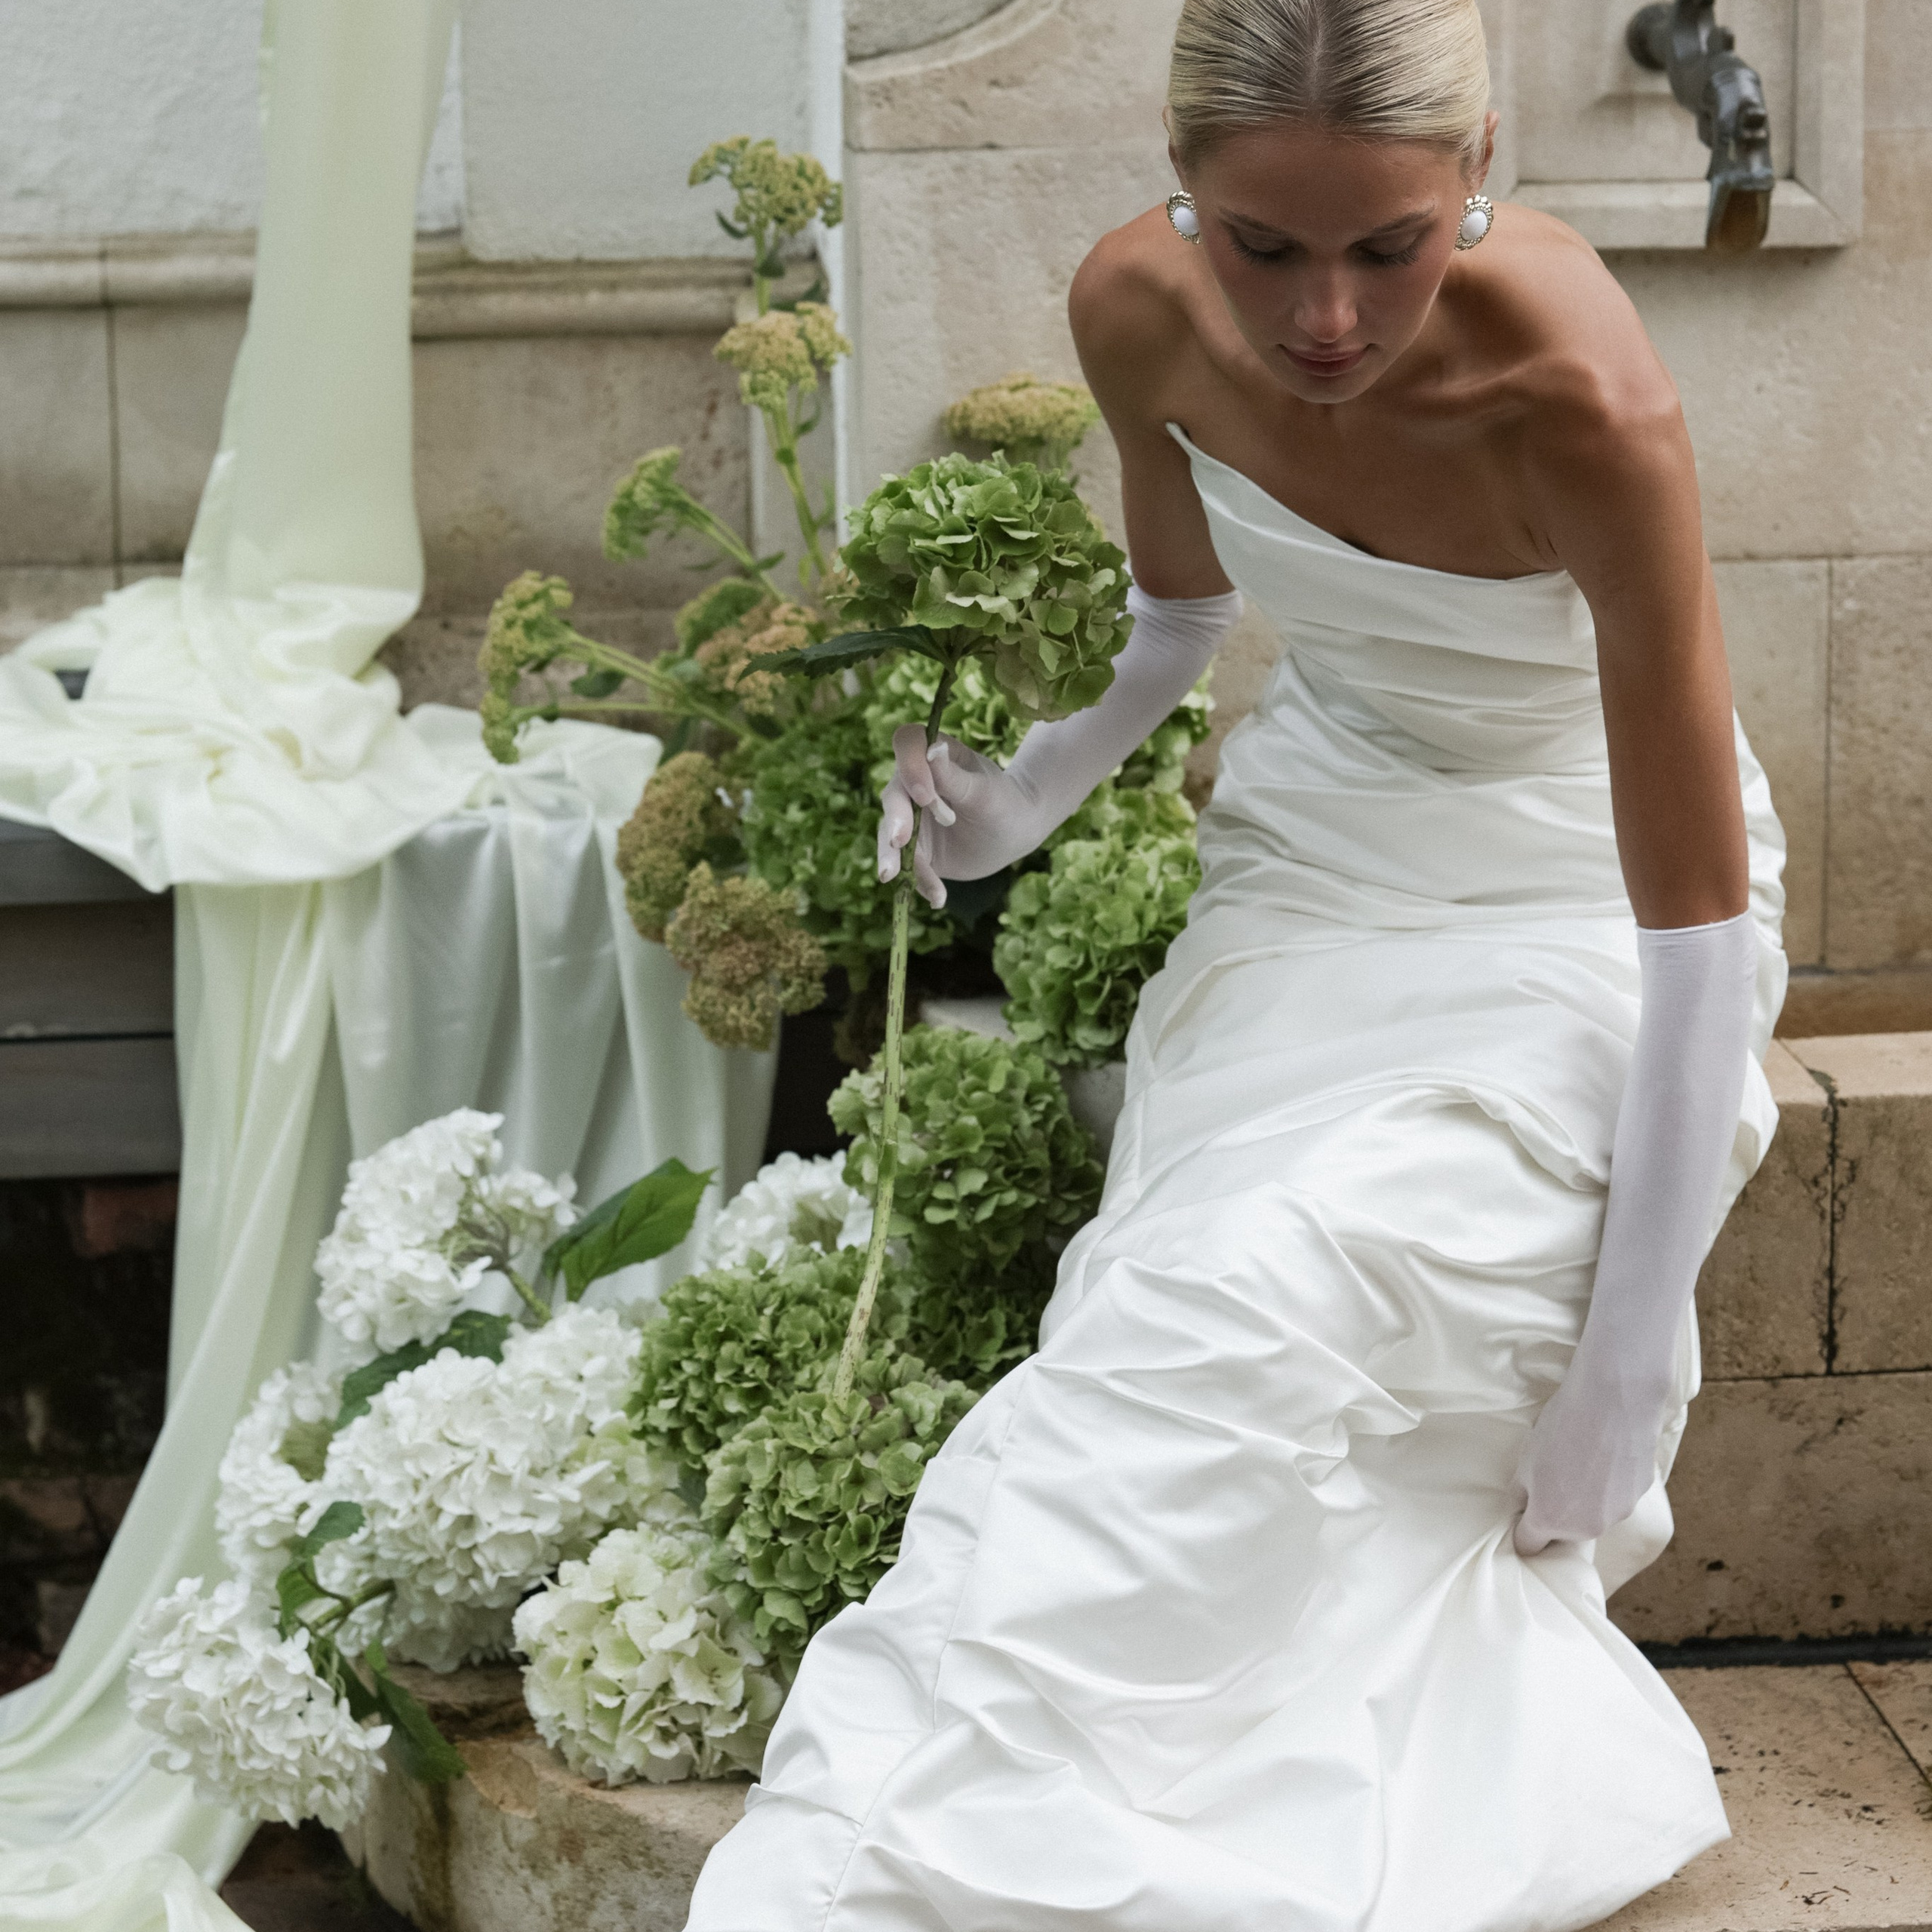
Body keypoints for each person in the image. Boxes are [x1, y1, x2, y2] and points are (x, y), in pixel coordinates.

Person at [685, 2, 1786, 1926]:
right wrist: (1005, 810)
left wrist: (1628, 1356)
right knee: (1165, 1323)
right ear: (1181, 190)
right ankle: (926, 1845)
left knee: (1295, 1287)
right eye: (1262, 245)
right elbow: (1179, 617)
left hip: (1571, 898)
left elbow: (1698, 927)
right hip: (1318, 865)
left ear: (1480, 171)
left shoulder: (1587, 407)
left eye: (1390, 246)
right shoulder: (1134, 307)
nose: (1326, 320)